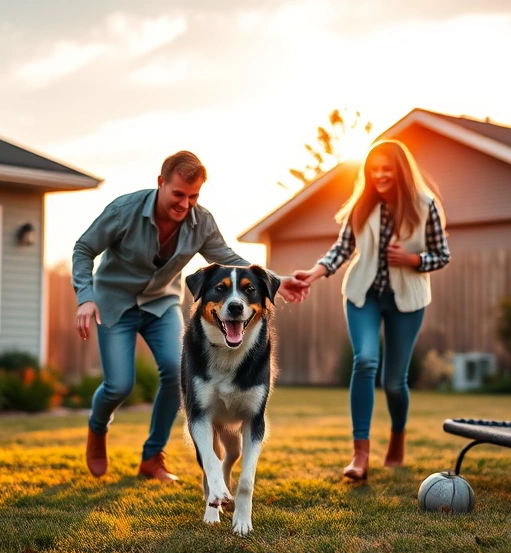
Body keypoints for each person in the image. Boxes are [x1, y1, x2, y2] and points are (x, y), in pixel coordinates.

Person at [72, 151, 309, 482]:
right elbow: (84, 249)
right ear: (161, 183)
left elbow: (229, 258)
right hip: (115, 302)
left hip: (160, 304)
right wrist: (86, 298)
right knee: (119, 385)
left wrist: (277, 281)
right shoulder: (123, 211)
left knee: (175, 372)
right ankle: (97, 428)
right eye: (178, 194)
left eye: (193, 196)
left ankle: (152, 456)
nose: (185, 204)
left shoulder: (201, 221)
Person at [293, 139, 450, 480]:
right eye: (373, 169)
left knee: (394, 382)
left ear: (401, 170)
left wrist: (413, 259)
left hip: (407, 301)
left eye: (386, 168)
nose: (379, 175)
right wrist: (314, 274)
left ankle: (397, 437)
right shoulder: (362, 205)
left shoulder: (425, 206)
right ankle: (359, 455)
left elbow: (442, 254)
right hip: (363, 295)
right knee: (364, 360)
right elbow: (342, 248)